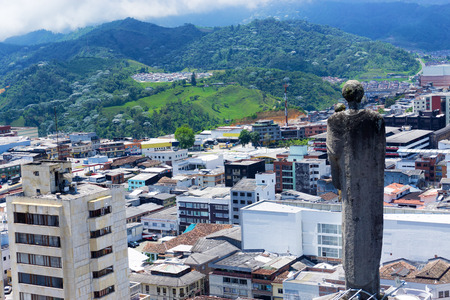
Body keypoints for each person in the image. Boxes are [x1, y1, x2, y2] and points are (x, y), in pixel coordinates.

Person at [327, 80, 385, 298]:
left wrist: (339, 182)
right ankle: (371, 290)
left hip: (350, 187)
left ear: (345, 96)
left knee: (350, 235)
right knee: (371, 234)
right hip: (372, 187)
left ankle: (353, 290)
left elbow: (333, 154)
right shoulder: (376, 120)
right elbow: (381, 154)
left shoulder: (334, 121)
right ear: (362, 95)